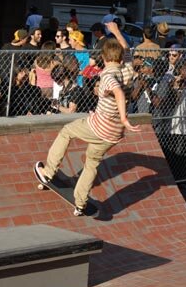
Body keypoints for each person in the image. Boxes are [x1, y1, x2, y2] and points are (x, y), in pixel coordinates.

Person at [35, 22, 139, 215]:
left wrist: (124, 117)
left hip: (99, 125)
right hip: (114, 133)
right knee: (92, 161)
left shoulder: (108, 74)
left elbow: (118, 92)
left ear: (104, 57)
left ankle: (48, 173)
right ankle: (80, 203)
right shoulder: (128, 68)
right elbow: (126, 48)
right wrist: (115, 31)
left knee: (66, 131)